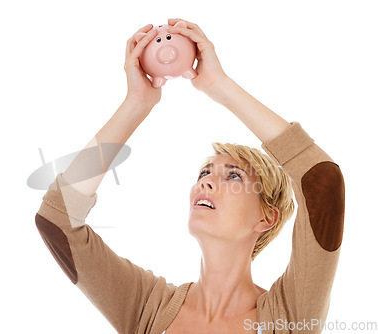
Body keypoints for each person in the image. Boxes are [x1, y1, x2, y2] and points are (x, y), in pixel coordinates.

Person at [34, 18, 345, 334]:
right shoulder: (146, 307)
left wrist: (218, 85)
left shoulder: (288, 315)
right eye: (205, 173)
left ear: (266, 218)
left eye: (233, 177)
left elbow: (322, 183)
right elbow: (58, 219)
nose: (205, 183)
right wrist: (136, 104)